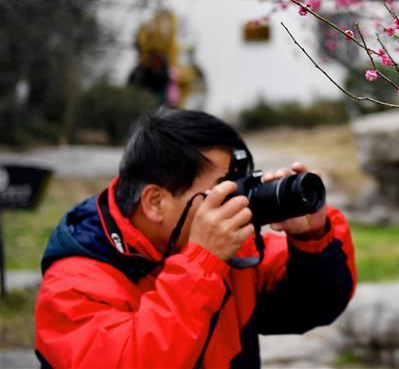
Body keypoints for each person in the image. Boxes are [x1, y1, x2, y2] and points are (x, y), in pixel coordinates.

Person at [34, 108, 356, 368]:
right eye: (221, 186)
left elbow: (317, 305)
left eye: (238, 182)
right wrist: (200, 265)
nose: (234, 197)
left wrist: (313, 236)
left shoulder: (234, 252)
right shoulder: (73, 285)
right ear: (155, 202)